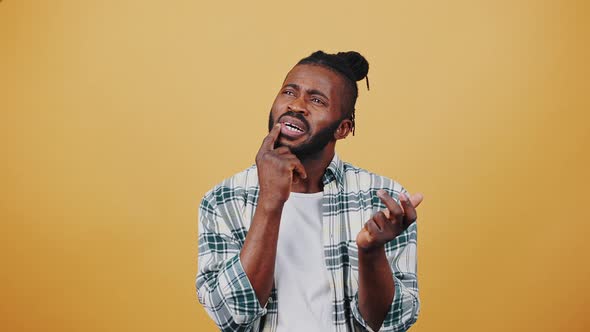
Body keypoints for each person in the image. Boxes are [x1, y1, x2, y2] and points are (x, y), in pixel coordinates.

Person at [196, 50, 423, 332]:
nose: (297, 106)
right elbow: (230, 314)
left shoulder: (382, 198)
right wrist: (270, 200)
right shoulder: (223, 199)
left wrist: (372, 252)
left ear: (343, 128)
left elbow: (389, 323)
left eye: (316, 100)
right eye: (289, 92)